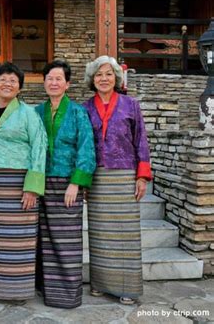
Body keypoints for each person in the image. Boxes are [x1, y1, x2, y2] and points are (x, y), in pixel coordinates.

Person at [0, 62, 47, 304]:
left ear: (20, 88)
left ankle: (18, 290)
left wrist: (32, 188)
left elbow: (39, 148)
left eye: (13, 81)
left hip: (18, 184)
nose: (7, 84)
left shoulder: (30, 114)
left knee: (20, 239)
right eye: (2, 80)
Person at [83, 55, 152, 305]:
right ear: (92, 79)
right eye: (99, 75)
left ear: (116, 78)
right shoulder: (85, 108)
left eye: (108, 74)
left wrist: (142, 176)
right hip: (97, 177)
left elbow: (141, 139)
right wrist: (83, 181)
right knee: (100, 233)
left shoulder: (130, 104)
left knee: (126, 233)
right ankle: (100, 283)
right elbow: (83, 146)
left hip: (124, 175)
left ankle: (127, 287)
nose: (104, 78)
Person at [35, 60, 96, 308]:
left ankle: (68, 294)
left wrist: (76, 183)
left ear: (67, 84)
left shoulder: (78, 112)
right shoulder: (37, 112)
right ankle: (46, 290)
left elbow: (86, 148)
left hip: (67, 184)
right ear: (44, 82)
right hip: (41, 182)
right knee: (43, 239)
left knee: (66, 240)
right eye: (49, 78)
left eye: (59, 78)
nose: (53, 82)